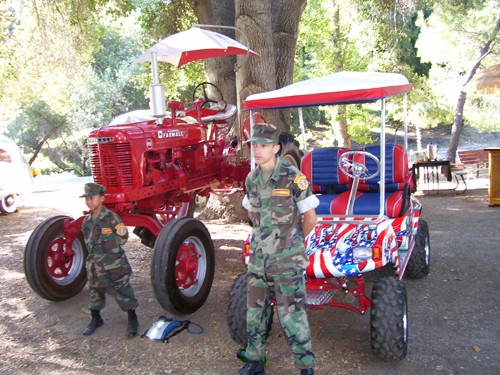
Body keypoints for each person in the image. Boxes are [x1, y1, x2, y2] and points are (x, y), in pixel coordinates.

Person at [238, 123, 319, 375]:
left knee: (291, 314)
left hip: (287, 259)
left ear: (276, 148)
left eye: (263, 146)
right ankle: (254, 360)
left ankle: (306, 365)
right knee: (254, 312)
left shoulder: (294, 177)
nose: (257, 150)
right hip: (259, 258)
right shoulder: (251, 178)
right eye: (254, 146)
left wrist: (292, 242)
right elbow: (251, 212)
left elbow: (310, 219)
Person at [79, 182, 139, 338]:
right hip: (95, 266)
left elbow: (123, 237)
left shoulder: (111, 218)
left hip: (114, 265)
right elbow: (87, 242)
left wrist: (109, 249)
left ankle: (133, 320)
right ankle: (96, 319)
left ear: (101, 199)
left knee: (124, 292)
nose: (89, 201)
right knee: (95, 292)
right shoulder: (87, 221)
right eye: (86, 199)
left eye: (92, 198)